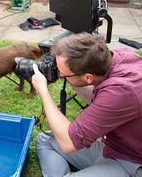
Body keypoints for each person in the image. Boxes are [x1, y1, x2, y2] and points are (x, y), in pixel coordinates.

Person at [31, 32, 142, 177]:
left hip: (132, 159)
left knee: (62, 140)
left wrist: (43, 91)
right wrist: (65, 74)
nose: (59, 73)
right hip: (114, 146)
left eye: (62, 72)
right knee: (46, 140)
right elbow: (94, 95)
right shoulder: (115, 58)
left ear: (88, 77)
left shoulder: (121, 91)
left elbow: (68, 143)